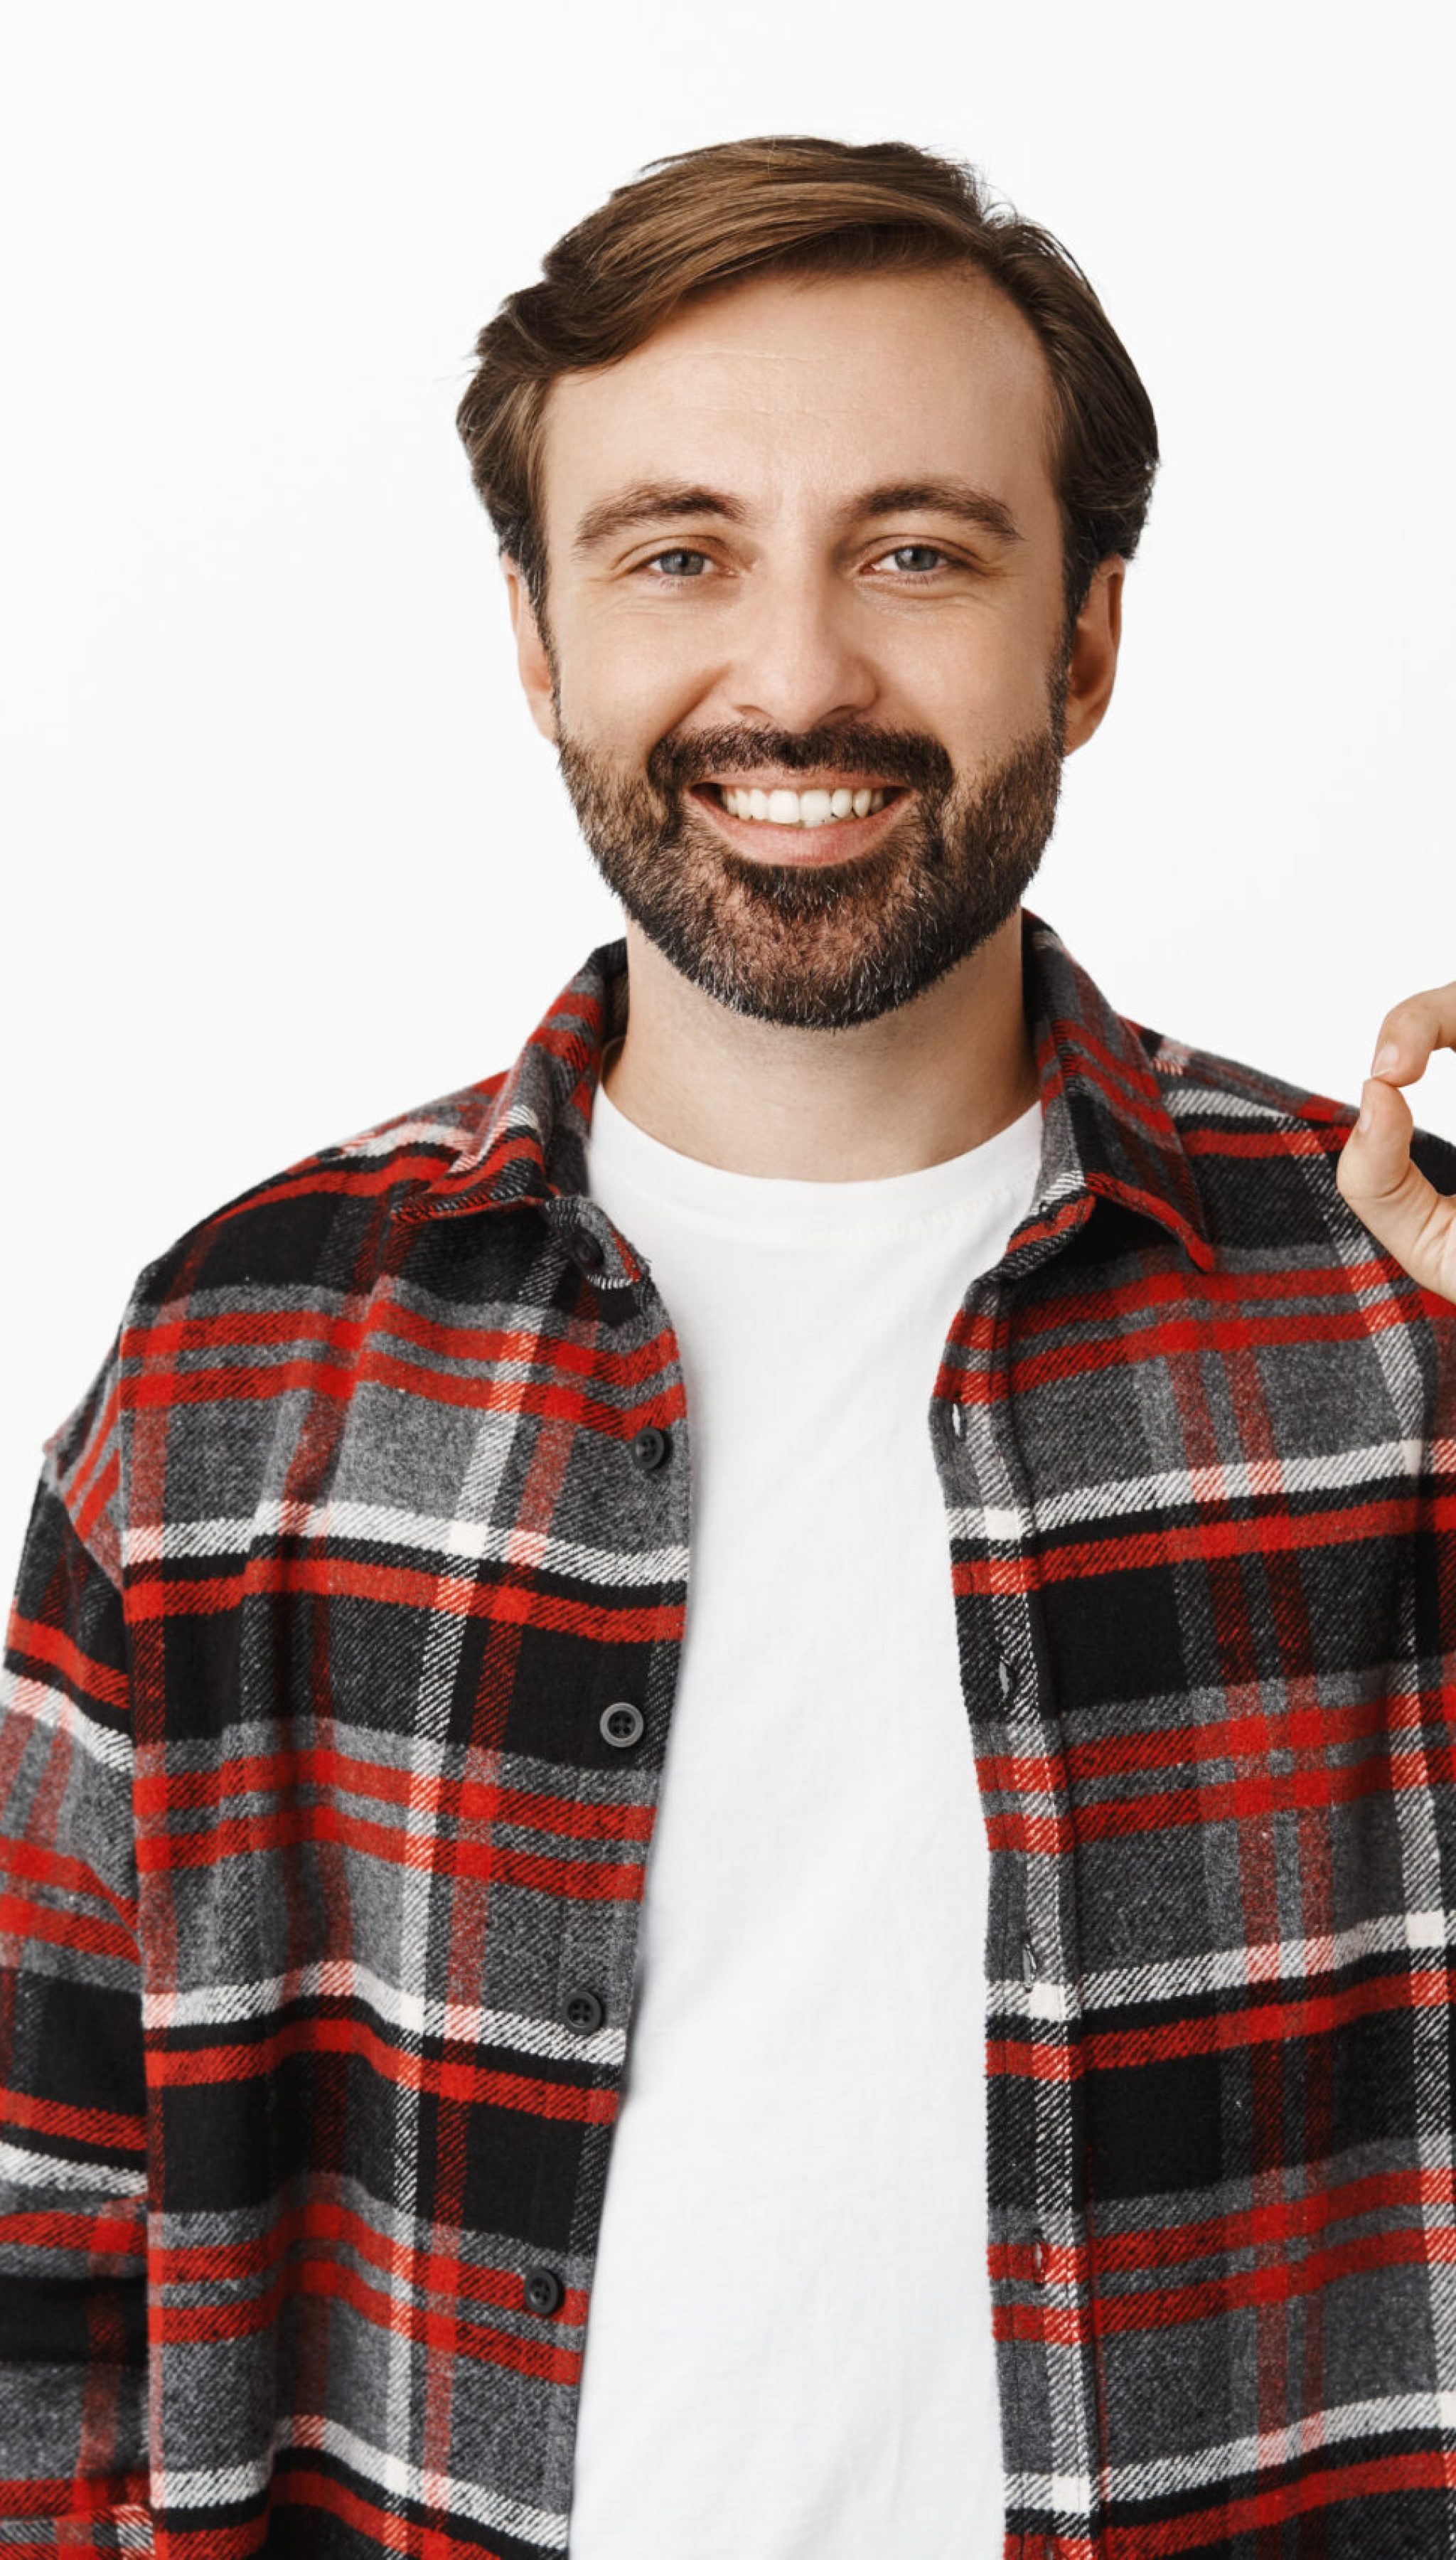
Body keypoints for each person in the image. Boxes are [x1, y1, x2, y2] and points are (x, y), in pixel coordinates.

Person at [2, 132, 1454, 2560]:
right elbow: (44, 2244)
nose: (795, 674)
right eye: (681, 554)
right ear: (540, 637)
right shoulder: (239, 1377)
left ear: (1087, 636)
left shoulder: (1400, 1323)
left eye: (918, 552)